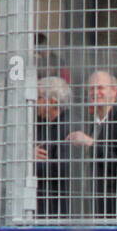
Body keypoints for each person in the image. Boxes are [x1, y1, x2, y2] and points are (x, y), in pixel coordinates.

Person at [66, 69, 117, 219]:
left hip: (113, 205)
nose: (95, 92)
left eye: (100, 88)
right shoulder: (84, 121)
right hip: (83, 204)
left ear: (114, 91)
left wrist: (91, 143)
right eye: (91, 88)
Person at [34, 76, 72, 218]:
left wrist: (29, 162)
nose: (34, 102)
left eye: (38, 98)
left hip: (61, 206)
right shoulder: (38, 123)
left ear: (53, 102)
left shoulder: (69, 126)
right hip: (41, 202)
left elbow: (62, 168)